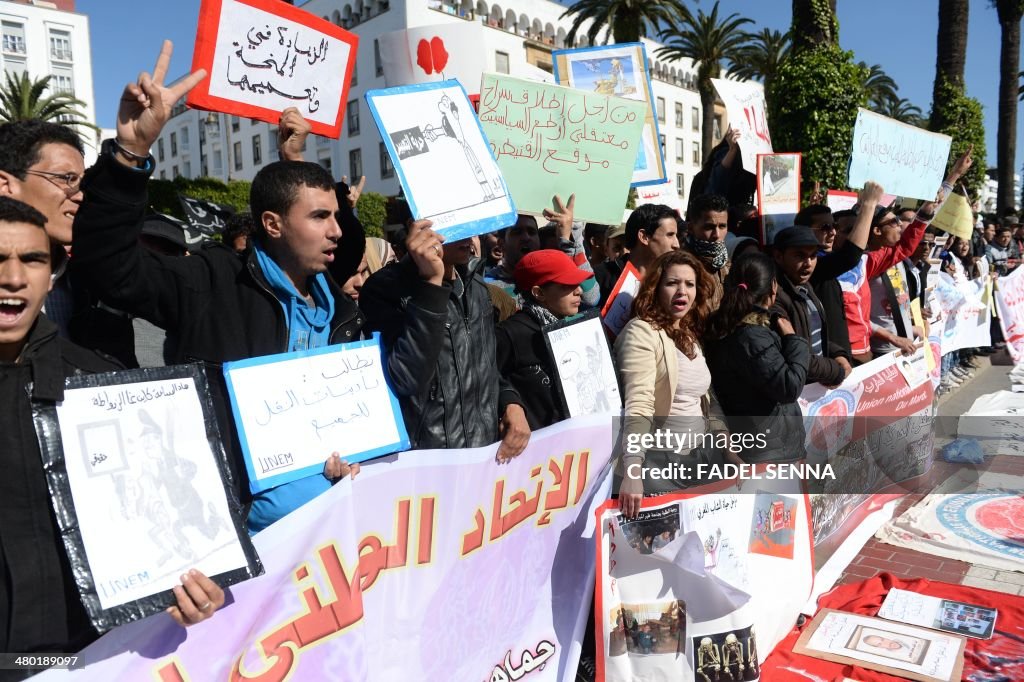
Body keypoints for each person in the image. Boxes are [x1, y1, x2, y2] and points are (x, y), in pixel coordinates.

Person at [71, 42, 361, 534]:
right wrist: (129, 155)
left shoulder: (338, 304)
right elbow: (111, 267)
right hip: (237, 536)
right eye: (319, 217)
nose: (336, 230)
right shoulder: (210, 281)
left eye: (337, 216)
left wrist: (354, 457)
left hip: (332, 528)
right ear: (271, 223)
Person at [0, 196, 223, 665]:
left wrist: (188, 587)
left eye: (33, 260)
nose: (14, 278)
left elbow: (166, 520)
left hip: (93, 657)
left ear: (53, 272)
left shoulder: (101, 383)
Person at [360, 218, 531, 460]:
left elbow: (485, 367)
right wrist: (431, 285)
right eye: (451, 221)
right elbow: (406, 379)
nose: (467, 232)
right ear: (418, 227)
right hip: (427, 469)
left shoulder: (478, 288)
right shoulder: (384, 290)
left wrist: (511, 403)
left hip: (484, 460)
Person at [615, 250, 726, 518]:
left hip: (701, 460)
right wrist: (633, 470)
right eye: (672, 283)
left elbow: (705, 397)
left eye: (690, 284)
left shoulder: (688, 332)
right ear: (654, 288)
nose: (682, 291)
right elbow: (639, 403)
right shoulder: (641, 332)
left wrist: (728, 450)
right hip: (658, 465)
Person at [705, 251, 809, 464]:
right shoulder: (751, 336)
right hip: (769, 450)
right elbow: (789, 387)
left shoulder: (727, 325)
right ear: (773, 287)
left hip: (764, 445)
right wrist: (792, 339)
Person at [496, 250, 592, 430]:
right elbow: (488, 381)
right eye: (567, 285)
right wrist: (510, 405)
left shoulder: (580, 327)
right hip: (537, 451)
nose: (579, 291)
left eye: (577, 283)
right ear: (539, 293)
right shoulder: (509, 334)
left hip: (581, 441)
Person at [770, 225, 851, 387]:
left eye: (813, 256)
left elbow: (813, 335)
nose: (808, 263)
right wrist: (835, 372)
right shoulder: (773, 298)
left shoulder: (805, 286)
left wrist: (837, 354)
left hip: (817, 384)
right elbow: (794, 353)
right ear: (779, 256)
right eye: (799, 256)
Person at [485, 196, 599, 309]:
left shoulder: (555, 277)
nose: (526, 238)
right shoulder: (487, 287)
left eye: (532, 232)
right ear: (501, 244)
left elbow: (592, 298)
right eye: (517, 232)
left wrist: (567, 241)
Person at [594, 203, 680, 309]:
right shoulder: (602, 277)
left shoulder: (673, 277)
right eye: (670, 235)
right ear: (644, 237)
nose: (677, 244)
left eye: (676, 235)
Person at [684, 194, 731, 305]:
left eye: (722, 226)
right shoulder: (680, 266)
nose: (717, 234)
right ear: (691, 228)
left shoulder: (728, 265)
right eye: (709, 227)